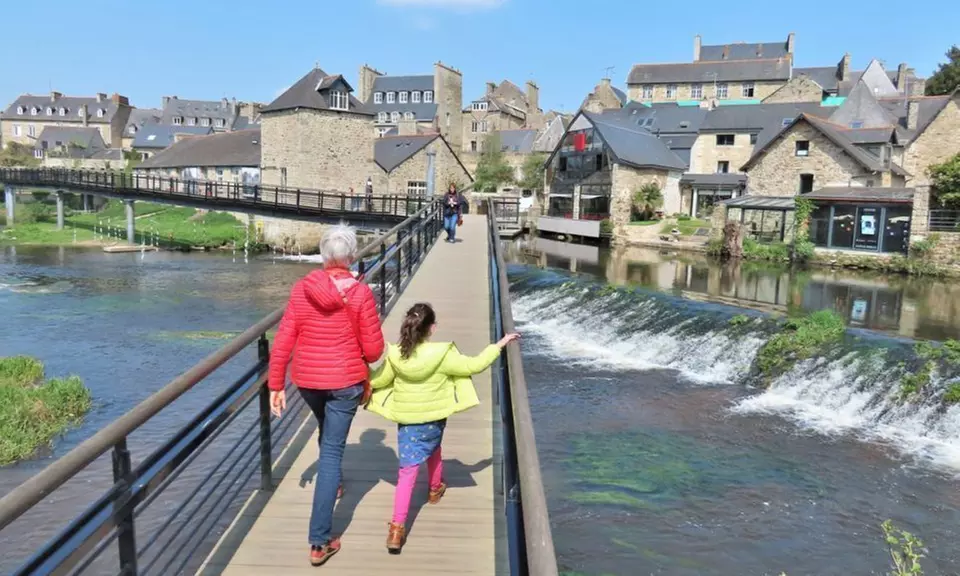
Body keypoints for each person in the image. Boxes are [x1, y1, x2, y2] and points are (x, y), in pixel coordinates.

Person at [268, 224, 385, 567]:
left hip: (308, 381)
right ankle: (319, 542)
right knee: (333, 452)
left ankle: (330, 485)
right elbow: (374, 350)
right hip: (346, 381)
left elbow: (285, 339)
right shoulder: (361, 294)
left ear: (324, 255)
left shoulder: (302, 289)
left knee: (325, 430)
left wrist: (276, 385)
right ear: (350, 256)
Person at [367, 303, 520, 553]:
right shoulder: (443, 354)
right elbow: (473, 366)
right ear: (432, 328)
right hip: (434, 418)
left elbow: (378, 380)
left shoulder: (396, 354)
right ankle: (435, 488)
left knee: (407, 471)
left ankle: (396, 528)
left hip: (408, 421)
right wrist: (499, 345)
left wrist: (359, 364)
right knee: (434, 445)